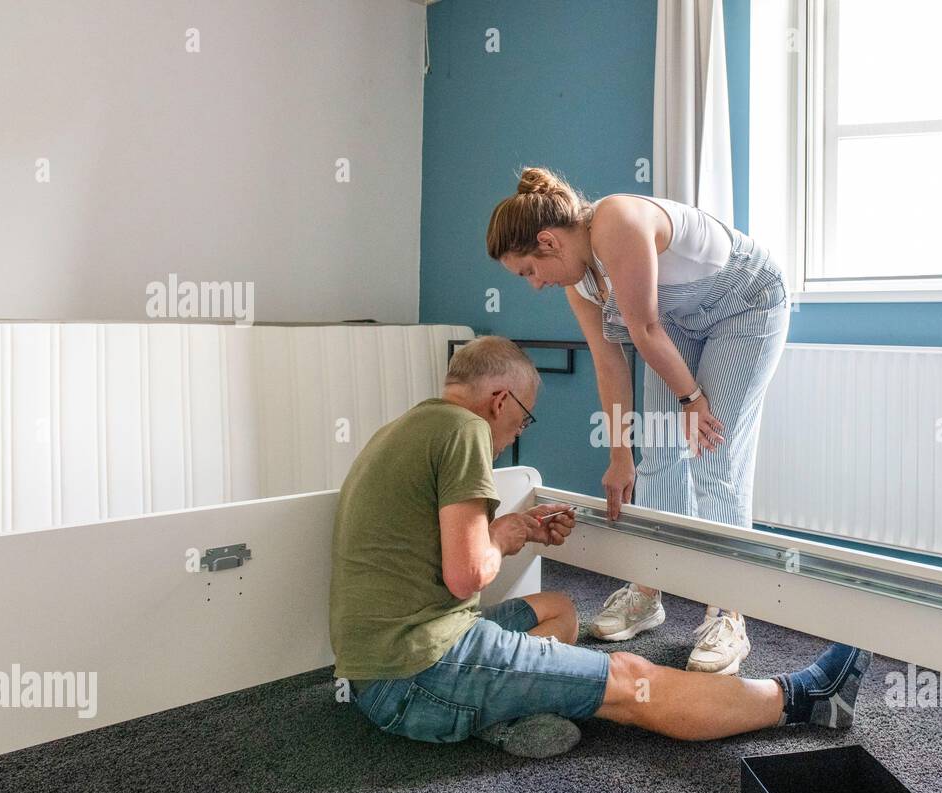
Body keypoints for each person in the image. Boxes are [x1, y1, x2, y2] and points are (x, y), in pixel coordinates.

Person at [329, 335, 871, 758]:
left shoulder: (403, 430)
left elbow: (440, 550)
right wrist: (505, 533)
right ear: (498, 400)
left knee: (560, 609)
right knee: (632, 680)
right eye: (520, 420)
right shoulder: (465, 432)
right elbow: (467, 576)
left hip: (373, 675)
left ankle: (505, 711)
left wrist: (514, 529)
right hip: (421, 675)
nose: (512, 436)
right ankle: (807, 699)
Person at [487, 168, 794, 677]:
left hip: (745, 307)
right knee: (657, 452)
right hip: (675, 327)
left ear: (547, 241)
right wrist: (619, 455)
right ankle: (650, 586)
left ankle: (728, 609)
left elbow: (646, 327)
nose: (535, 285)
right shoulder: (579, 283)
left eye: (528, 271)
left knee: (712, 452)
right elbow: (610, 364)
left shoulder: (616, 221)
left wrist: (692, 399)